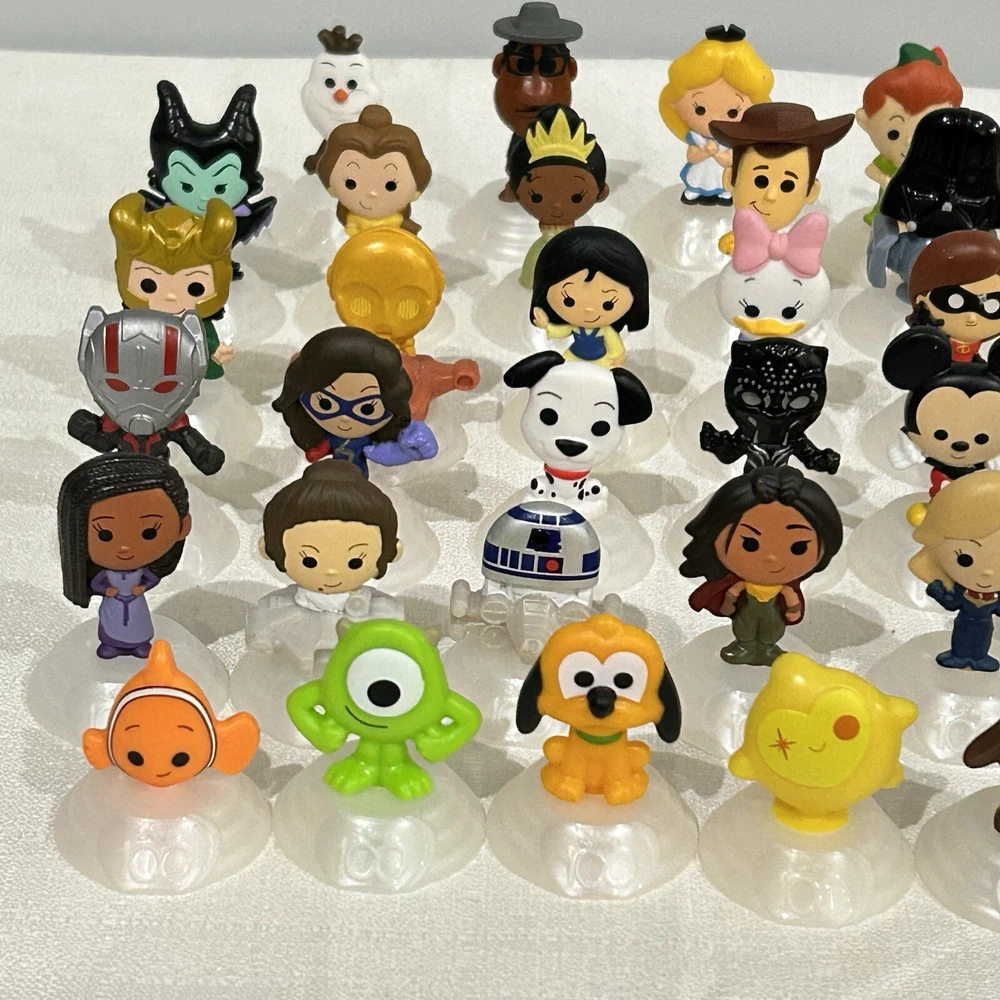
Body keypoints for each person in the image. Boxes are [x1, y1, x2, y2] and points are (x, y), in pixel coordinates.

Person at [680, 466, 843, 665]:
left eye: (798, 547)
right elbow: (732, 593)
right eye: (750, 544)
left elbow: (791, 599)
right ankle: (744, 646)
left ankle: (767, 649)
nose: (772, 558)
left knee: (772, 629)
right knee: (744, 627)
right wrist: (728, 603)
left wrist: (793, 609)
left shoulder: (784, 588)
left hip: (772, 614)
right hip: (747, 611)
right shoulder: (740, 583)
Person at [58, 453, 191, 658]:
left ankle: (139, 644)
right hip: (115, 602)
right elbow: (97, 583)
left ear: (183, 527)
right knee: (112, 624)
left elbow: (151, 579)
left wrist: (143, 587)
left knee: (139, 623)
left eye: (149, 532)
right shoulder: (106, 574)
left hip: (135, 602)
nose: (125, 547)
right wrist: (106, 590)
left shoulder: (142, 572)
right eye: (105, 534)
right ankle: (111, 644)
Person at [709, 102, 854, 254]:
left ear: (811, 191)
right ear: (729, 179)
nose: (770, 196)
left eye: (787, 185)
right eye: (760, 181)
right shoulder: (736, 244)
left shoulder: (798, 251)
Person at [657, 23, 774, 206]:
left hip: (722, 173)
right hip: (701, 170)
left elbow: (730, 160)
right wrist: (705, 152)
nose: (714, 120)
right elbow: (691, 157)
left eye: (733, 112)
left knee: (725, 179)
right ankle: (694, 191)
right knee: (697, 177)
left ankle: (725, 193)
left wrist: (718, 155)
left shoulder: (732, 140)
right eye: (699, 109)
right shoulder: (696, 138)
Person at [856, 43, 962, 224]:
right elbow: (871, 170)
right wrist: (887, 181)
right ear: (864, 122)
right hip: (888, 208)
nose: (910, 141)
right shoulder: (890, 163)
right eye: (893, 134)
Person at [909, 470, 1000, 670]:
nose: (987, 572)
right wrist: (938, 591)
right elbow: (952, 603)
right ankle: (959, 655)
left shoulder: (995, 596)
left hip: (985, 624)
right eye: (964, 559)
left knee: (983, 639)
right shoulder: (962, 590)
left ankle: (978, 658)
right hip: (964, 622)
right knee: (962, 637)